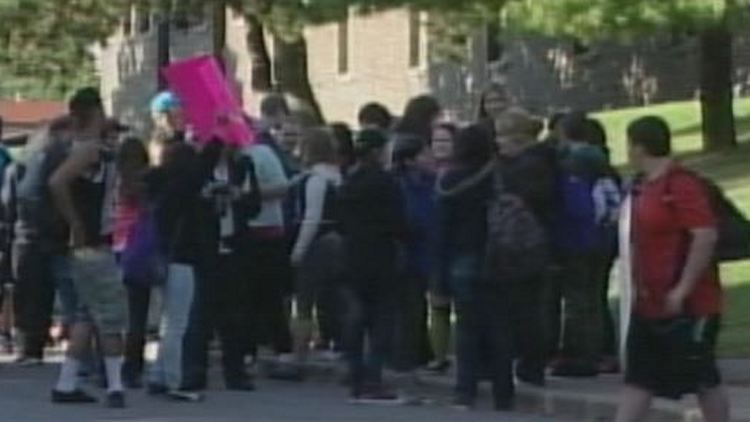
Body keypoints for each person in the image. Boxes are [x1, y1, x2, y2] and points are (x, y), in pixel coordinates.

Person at [615, 116, 729, 422]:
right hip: (649, 301)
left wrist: (683, 288)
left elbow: (704, 235)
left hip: (691, 303)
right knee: (638, 378)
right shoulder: (641, 188)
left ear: (639, 148)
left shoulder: (680, 185)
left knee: (702, 375)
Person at [49, 88, 128, 408]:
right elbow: (57, 182)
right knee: (110, 315)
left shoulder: (76, 145)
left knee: (86, 313)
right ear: (95, 113)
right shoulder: (89, 151)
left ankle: (67, 383)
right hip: (93, 241)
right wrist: (76, 222)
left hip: (84, 244)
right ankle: (115, 385)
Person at [434, 125, 514, 411]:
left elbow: (442, 228)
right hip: (498, 254)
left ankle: (465, 391)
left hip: (462, 255)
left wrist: (439, 276)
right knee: (499, 325)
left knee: (467, 327)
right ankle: (504, 392)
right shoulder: (499, 174)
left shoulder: (450, 180)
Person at [338, 129, 406, 403]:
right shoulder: (386, 183)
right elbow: (398, 221)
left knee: (356, 317)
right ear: (379, 151)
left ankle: (355, 375)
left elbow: (340, 219)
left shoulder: (349, 182)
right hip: (380, 255)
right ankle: (372, 377)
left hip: (352, 254)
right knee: (381, 320)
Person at [494, 108, 557, 387]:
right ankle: (530, 362)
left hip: (525, 245)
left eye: (502, 138)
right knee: (529, 307)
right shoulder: (541, 162)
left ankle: (530, 363)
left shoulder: (527, 167)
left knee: (525, 309)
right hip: (535, 244)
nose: (497, 143)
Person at [194, 139, 261, 391]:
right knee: (203, 311)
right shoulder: (199, 166)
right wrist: (207, 194)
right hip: (207, 245)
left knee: (235, 312)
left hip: (235, 243)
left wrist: (239, 196)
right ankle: (197, 369)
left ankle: (235, 370)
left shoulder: (243, 165)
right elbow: (187, 199)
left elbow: (254, 204)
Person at [549, 111, 609, 378]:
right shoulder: (601, 160)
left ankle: (577, 355)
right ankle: (596, 351)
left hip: (577, 238)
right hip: (603, 236)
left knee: (576, 298)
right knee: (594, 296)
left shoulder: (571, 164)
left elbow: (575, 205)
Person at [144, 142, 205, 402]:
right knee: (177, 322)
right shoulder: (184, 190)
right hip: (182, 256)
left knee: (168, 320)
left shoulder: (159, 186)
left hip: (163, 256)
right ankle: (173, 379)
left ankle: (159, 373)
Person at [290, 128, 343, 362]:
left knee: (304, 298)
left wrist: (298, 250)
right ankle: (335, 341)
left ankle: (300, 351)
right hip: (338, 239)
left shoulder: (315, 180)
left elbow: (312, 217)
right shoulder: (339, 176)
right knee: (331, 296)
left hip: (318, 242)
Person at [390, 135, 437, 383]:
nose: (430, 158)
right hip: (408, 252)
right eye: (424, 154)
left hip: (424, 251)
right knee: (408, 307)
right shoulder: (402, 185)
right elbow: (411, 219)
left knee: (417, 305)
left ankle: (419, 353)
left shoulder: (430, 182)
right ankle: (404, 358)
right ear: (409, 160)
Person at [584, 117, 623, 374]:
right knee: (594, 295)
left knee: (594, 295)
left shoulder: (596, 170)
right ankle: (601, 348)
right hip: (603, 240)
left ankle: (604, 349)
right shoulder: (605, 168)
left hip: (598, 240)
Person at [114, 137, 151, 389]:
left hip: (115, 245)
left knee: (113, 312)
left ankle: (106, 364)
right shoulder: (145, 183)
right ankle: (132, 367)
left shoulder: (114, 180)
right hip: (138, 248)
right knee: (138, 312)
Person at [426, 123, 456, 374]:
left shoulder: (460, 173)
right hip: (433, 243)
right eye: (436, 141)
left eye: (445, 141)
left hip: (454, 243)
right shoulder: (426, 172)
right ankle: (439, 355)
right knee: (437, 302)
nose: (440, 146)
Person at [148, 91, 186, 166]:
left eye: (181, 115)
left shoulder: (181, 140)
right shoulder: (160, 146)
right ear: (161, 118)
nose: (181, 120)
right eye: (176, 116)